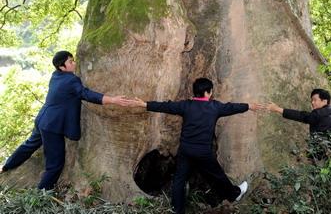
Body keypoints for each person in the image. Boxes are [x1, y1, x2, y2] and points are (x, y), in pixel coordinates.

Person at [129, 78, 264, 214]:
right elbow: (232, 107)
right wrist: (249, 106)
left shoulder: (186, 105)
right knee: (217, 175)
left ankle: (177, 210)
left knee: (179, 179)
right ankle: (234, 194)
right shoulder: (215, 107)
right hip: (203, 152)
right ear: (207, 92)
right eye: (210, 91)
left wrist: (145, 104)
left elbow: (166, 106)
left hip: (186, 150)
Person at [0, 51, 132, 190]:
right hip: (52, 126)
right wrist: (113, 100)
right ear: (62, 67)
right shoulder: (71, 80)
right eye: (70, 61)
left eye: (73, 60)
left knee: (29, 145)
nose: (74, 63)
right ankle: (41, 195)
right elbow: (86, 94)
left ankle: (6, 166)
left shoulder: (55, 76)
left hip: (42, 120)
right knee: (55, 164)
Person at [265, 89, 331, 159]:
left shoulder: (317, 114)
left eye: (315, 100)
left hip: (328, 152)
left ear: (324, 101)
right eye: (311, 100)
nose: (312, 102)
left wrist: (276, 109)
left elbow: (300, 116)